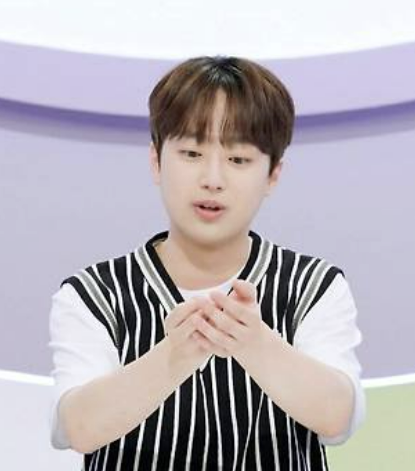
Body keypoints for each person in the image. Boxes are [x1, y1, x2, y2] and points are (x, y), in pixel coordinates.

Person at [48, 55, 365, 471]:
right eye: (192, 153)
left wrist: (254, 343)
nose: (212, 179)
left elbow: (338, 417)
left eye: (238, 160)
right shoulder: (94, 295)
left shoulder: (313, 287)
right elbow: (77, 427)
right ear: (156, 161)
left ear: (273, 174)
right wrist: (174, 356)